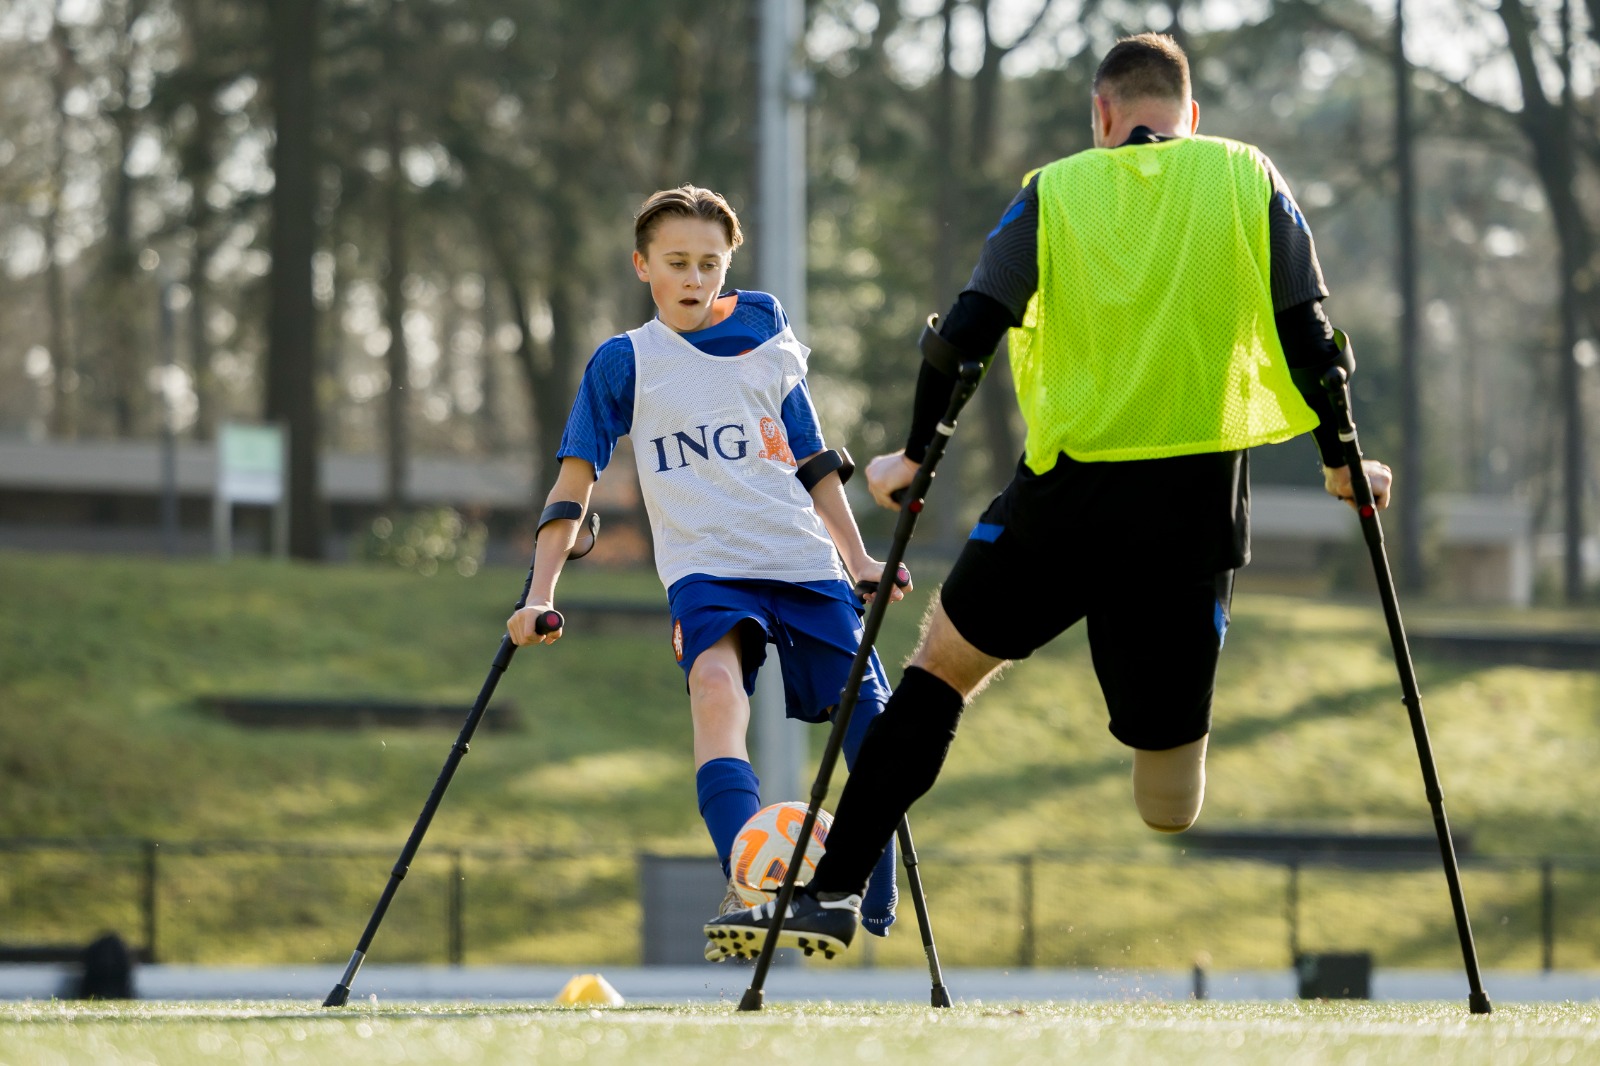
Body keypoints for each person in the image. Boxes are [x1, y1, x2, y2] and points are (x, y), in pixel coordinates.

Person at [704, 32, 1394, 958]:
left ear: (1101, 116)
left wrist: (912, 458)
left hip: (1068, 500)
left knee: (938, 671)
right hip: (1195, 512)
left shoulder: (1056, 189)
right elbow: (1311, 329)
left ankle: (829, 894)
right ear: (1190, 119)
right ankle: (831, 889)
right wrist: (1342, 457)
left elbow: (964, 332)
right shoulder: (1244, 174)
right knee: (1167, 804)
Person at [506, 185, 906, 954]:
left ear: (730, 264)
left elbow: (813, 455)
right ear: (642, 266)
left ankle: (859, 887)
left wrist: (858, 558)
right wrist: (540, 594)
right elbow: (573, 483)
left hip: (799, 557)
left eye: (710, 263)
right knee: (715, 690)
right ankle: (753, 883)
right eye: (677, 263)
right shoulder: (625, 361)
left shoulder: (764, 326)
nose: (695, 278)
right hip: (706, 569)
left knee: (875, 723)